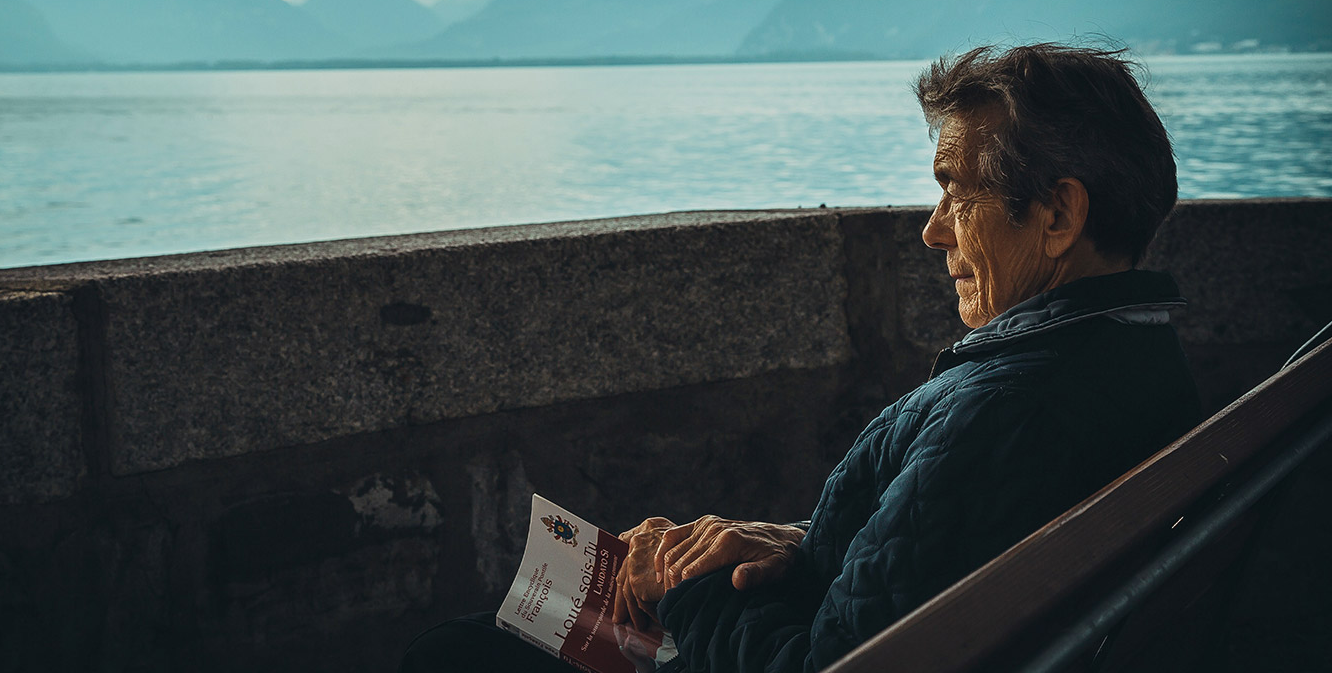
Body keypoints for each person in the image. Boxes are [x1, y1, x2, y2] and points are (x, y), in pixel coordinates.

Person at [400, 43, 1200, 673]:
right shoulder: (1129, 357)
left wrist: (681, 582)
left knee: (455, 653)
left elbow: (832, 663)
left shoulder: (1011, 408)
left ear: (1058, 213)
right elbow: (930, 554)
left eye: (958, 191)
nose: (934, 230)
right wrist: (790, 545)